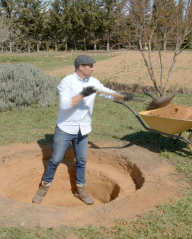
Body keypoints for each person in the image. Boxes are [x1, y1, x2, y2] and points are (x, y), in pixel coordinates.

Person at [32, 55, 133, 205]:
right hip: (65, 128)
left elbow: (109, 94)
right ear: (81, 67)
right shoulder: (67, 81)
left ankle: (80, 190)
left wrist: (122, 96)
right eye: (90, 66)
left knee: (81, 160)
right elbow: (66, 105)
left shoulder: (94, 82)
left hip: (83, 129)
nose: (93, 68)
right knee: (55, 159)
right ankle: (44, 187)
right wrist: (83, 94)